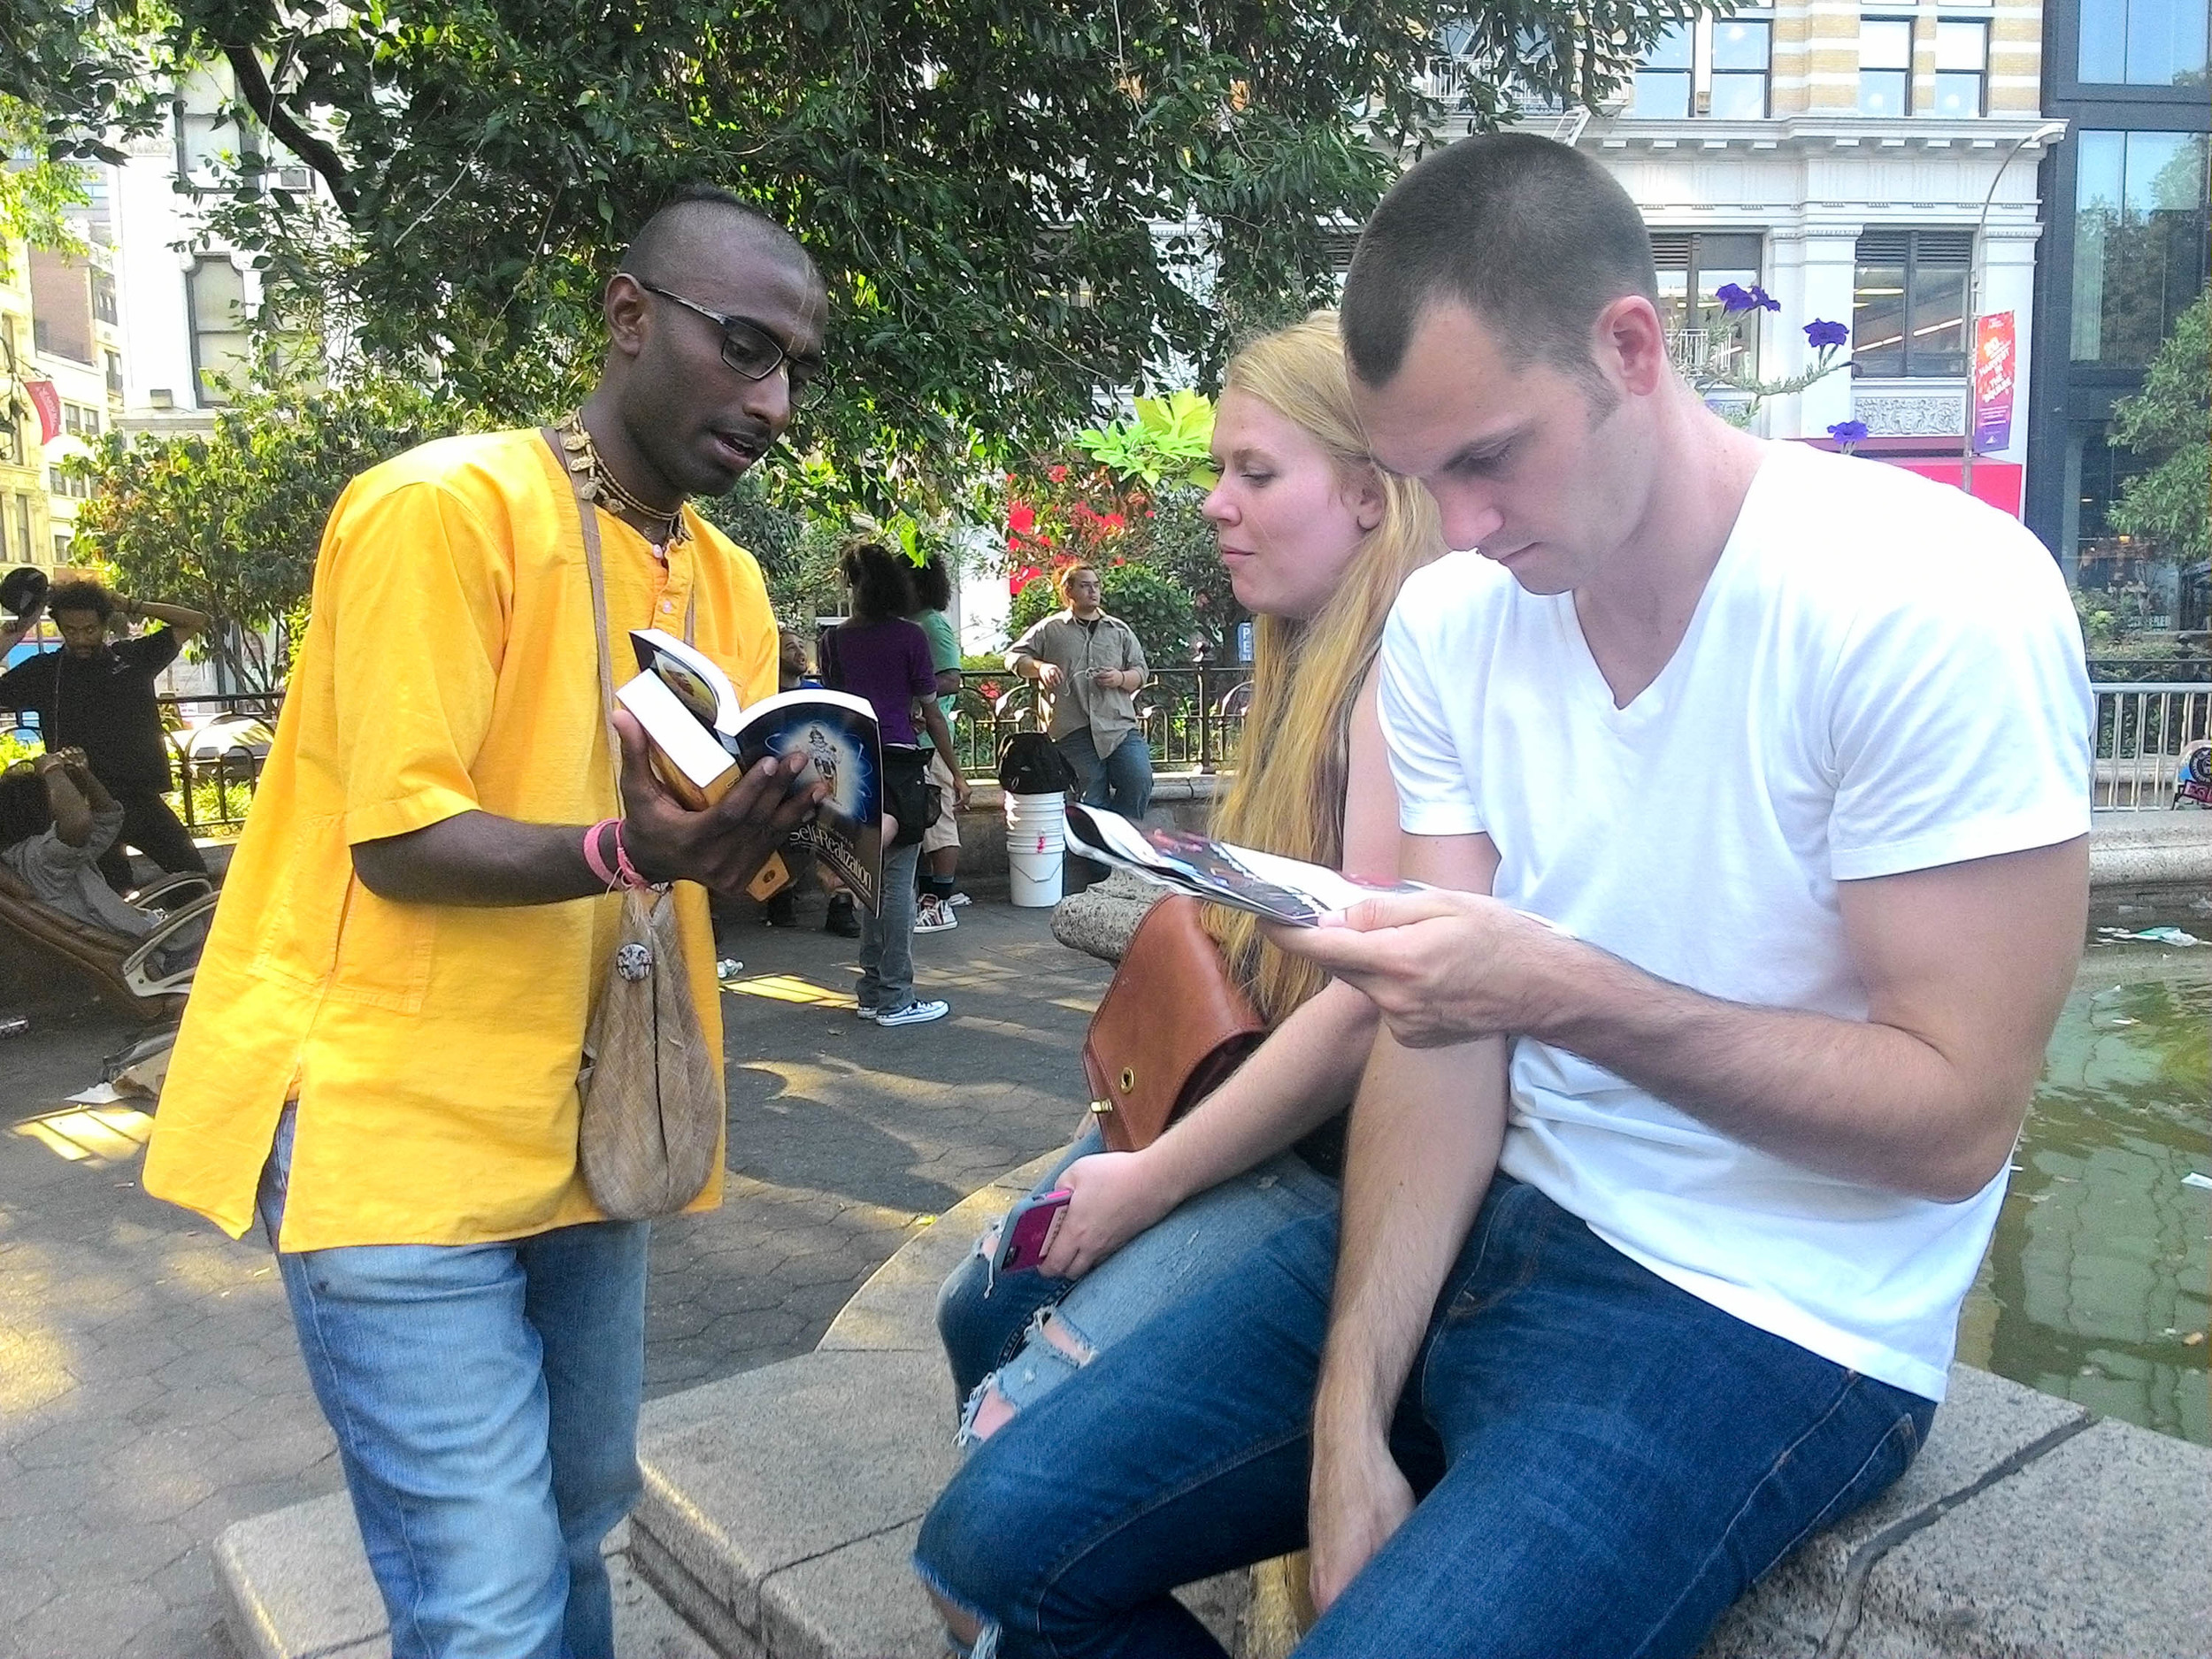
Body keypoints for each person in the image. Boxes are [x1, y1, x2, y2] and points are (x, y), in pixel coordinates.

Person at [915, 133, 2093, 1659]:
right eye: (1419, 478)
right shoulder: (1461, 625)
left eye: (1488, 458)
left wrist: (1567, 991)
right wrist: (1351, 1413)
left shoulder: (1933, 604)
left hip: (1765, 1314)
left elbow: (1953, 1124)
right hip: (1494, 1215)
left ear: (1631, 347)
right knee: (985, 1553)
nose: (1458, 530)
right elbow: (1439, 1037)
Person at [139, 184, 831, 1659]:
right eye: (747, 347)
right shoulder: (439, 511)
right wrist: (617, 846)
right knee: (489, 1600)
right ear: (631, 316)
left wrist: (797, 840)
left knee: (582, 1527)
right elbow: (398, 841)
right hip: (390, 1134)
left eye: (796, 369)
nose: (774, 400)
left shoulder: (730, 582)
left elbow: (703, 861)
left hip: (595, 1123)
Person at [928, 312, 1443, 1449]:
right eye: (1220, 468)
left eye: (1254, 471)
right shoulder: (1307, 657)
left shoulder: (1404, 681)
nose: (1214, 501)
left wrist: (1153, 1175)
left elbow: (1366, 1011)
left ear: (1368, 493)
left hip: (1322, 1156)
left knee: (1004, 1429)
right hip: (1232, 1096)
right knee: (972, 1308)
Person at [826, 540, 968, 1027]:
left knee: (868, 877)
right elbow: (932, 711)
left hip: (851, 764)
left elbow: (832, 705)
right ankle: (896, 996)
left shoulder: (835, 640)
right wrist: (956, 771)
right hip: (900, 763)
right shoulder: (911, 637)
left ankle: (871, 989)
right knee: (899, 881)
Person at [0, 579, 212, 891]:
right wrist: (19, 631)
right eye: (71, 630)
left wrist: (129, 605)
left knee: (196, 879)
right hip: (86, 808)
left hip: (140, 799)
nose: (81, 638)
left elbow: (196, 621)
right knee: (112, 894)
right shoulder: (44, 671)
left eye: (90, 629)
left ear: (104, 623)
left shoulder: (131, 658)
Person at [1005, 563, 1151, 821]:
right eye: (1085, 586)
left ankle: (1122, 843)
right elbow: (1013, 658)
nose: (1092, 591)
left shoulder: (1118, 630)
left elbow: (1141, 671)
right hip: (1073, 730)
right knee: (1090, 799)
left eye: (1096, 585)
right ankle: (1098, 857)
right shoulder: (1049, 629)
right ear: (1068, 591)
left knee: (1139, 780)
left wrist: (1120, 678)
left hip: (1118, 726)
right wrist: (1041, 668)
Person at [0, 745, 163, 936]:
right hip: (149, 948)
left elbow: (108, 816)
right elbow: (78, 822)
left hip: (147, 929)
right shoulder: (37, 860)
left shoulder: (61, 855)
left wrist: (83, 774)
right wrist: (51, 769)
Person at [908, 553, 969, 931]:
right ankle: (930, 897)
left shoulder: (932, 625)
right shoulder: (911, 624)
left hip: (932, 738)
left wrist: (915, 696)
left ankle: (941, 902)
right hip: (918, 737)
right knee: (925, 823)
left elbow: (950, 679)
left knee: (940, 820)